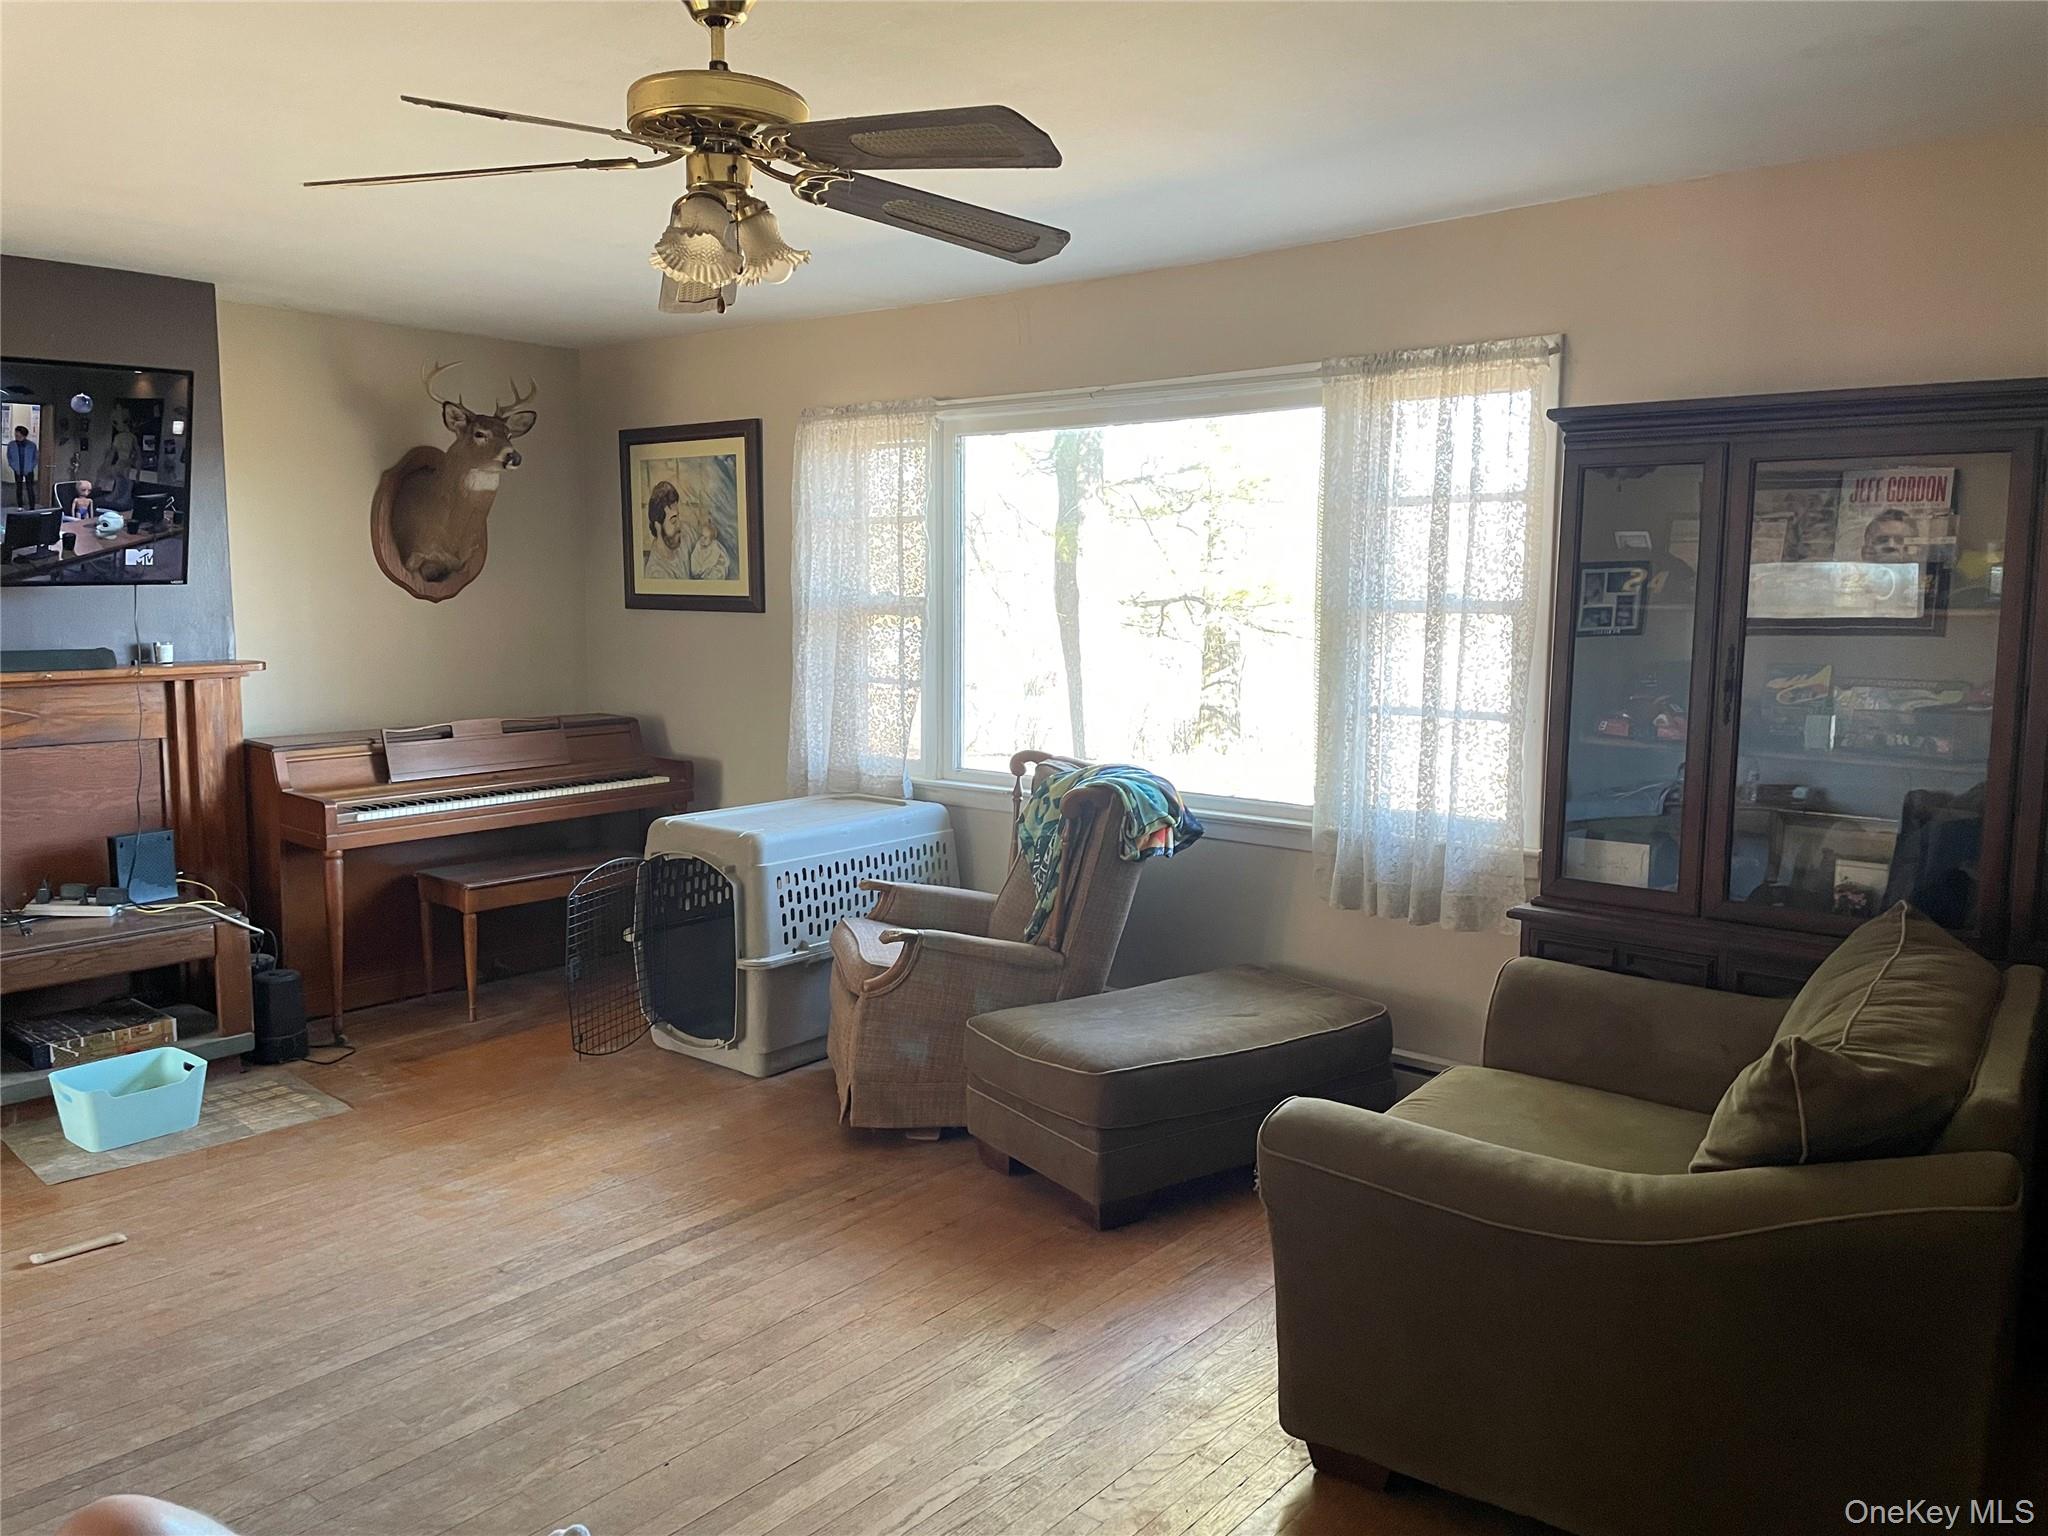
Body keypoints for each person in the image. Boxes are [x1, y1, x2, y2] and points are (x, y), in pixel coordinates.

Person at [641, 480, 688, 581]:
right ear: (658, 526)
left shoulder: (683, 538)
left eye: (678, 517)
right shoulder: (656, 573)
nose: (679, 525)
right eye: (673, 520)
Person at [6, 424, 35, 508]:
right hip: (17, 469)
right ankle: (20, 506)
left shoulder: (31, 445)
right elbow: (9, 456)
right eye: (15, 435)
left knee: (30, 488)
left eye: (18, 435)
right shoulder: (11, 445)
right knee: (19, 488)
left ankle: (32, 506)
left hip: (28, 469)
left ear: (24, 435)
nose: (16, 436)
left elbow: (35, 458)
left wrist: (31, 467)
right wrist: (13, 466)